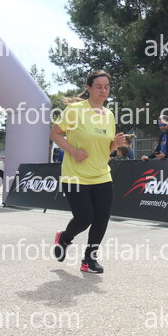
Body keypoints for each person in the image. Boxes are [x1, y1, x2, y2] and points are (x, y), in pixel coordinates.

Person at [50, 70, 125, 274]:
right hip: (75, 175)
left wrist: (115, 144)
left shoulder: (109, 115)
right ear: (89, 88)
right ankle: (65, 238)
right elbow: (55, 133)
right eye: (99, 87)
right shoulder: (75, 110)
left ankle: (89, 260)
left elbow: (107, 150)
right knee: (84, 217)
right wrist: (73, 151)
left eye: (107, 87)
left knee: (101, 218)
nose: (103, 91)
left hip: (101, 174)